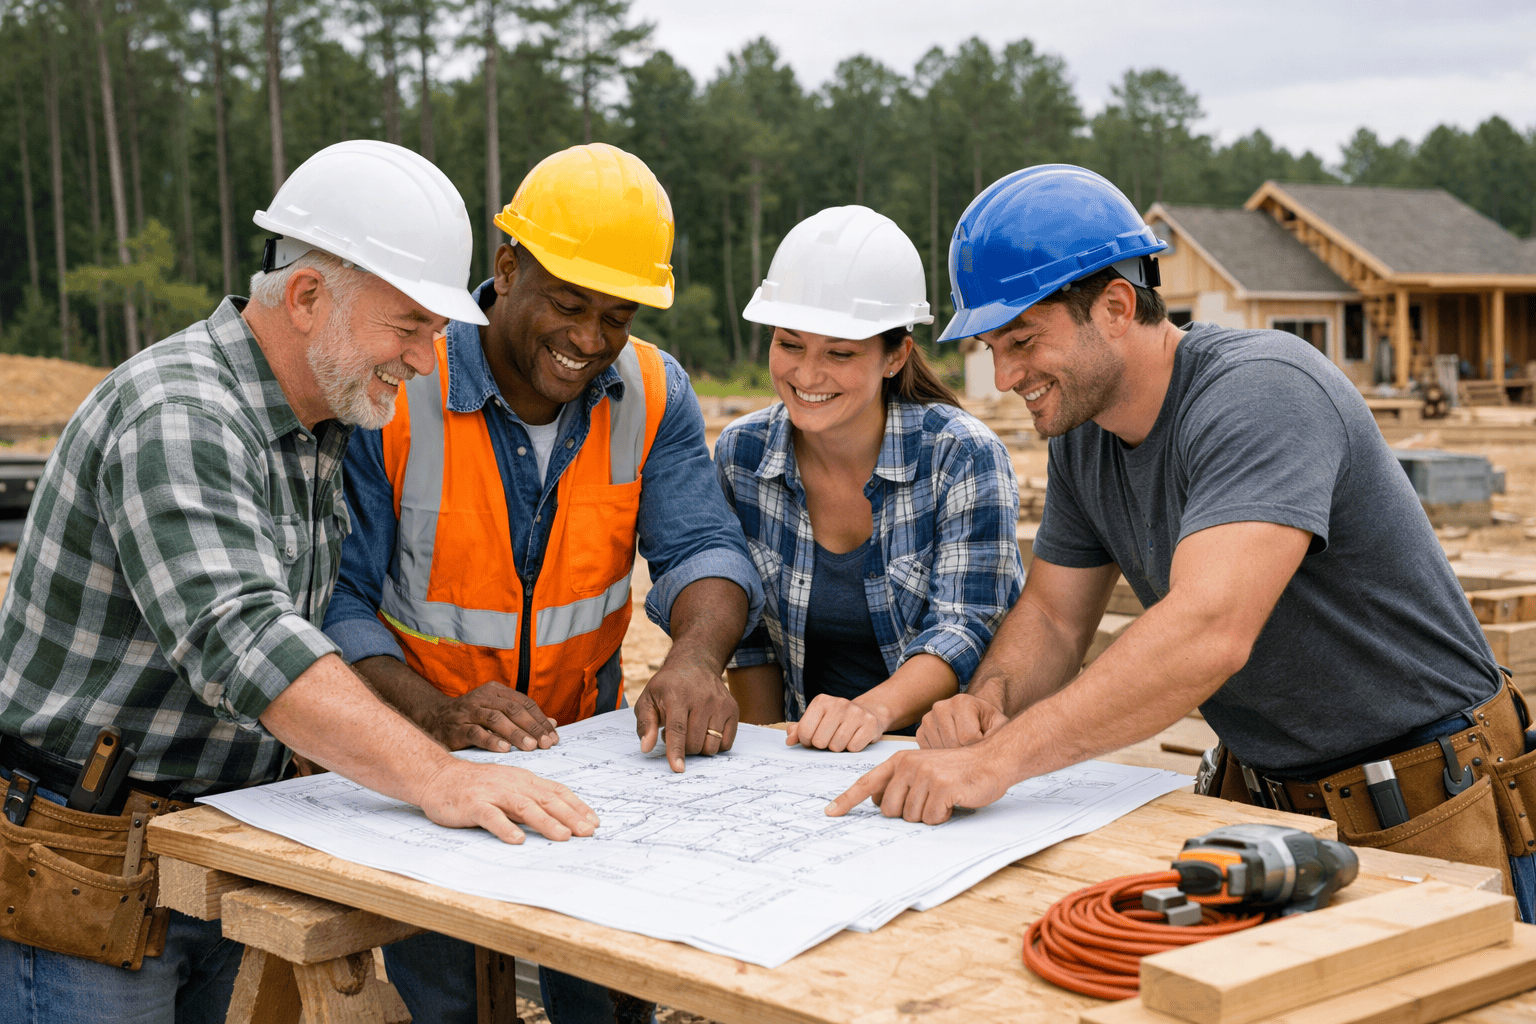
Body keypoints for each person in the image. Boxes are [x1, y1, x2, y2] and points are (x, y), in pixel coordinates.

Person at [827, 164, 1536, 923]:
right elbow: (1056, 618)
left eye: (1023, 341)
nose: (1004, 376)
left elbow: (1207, 630)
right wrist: (987, 705)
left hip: (1427, 795)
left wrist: (994, 765)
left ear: (1115, 306)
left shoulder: (1263, 391)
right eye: (993, 347)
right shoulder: (1084, 437)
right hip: (1271, 804)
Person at [0, 141, 597, 1024]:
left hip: (206, 834)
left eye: (435, 334)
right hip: (83, 850)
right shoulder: (183, 414)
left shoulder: (320, 421)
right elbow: (247, 639)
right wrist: (440, 778)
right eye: (408, 328)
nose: (426, 361)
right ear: (311, 297)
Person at [322, 143, 762, 1024]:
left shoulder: (650, 389)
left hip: (593, 764)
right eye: (568, 304)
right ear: (507, 268)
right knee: (449, 1005)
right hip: (428, 762)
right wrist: (437, 716)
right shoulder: (403, 384)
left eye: (617, 314)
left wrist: (697, 658)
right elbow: (336, 601)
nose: (590, 340)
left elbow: (706, 548)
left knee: (607, 1000)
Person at [716, 206, 1024, 752]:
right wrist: (764, 756)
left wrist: (867, 715)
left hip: (949, 754)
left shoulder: (960, 456)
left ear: (894, 356)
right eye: (789, 344)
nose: (807, 375)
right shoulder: (743, 455)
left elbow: (965, 627)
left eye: (839, 353)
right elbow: (750, 643)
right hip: (809, 750)